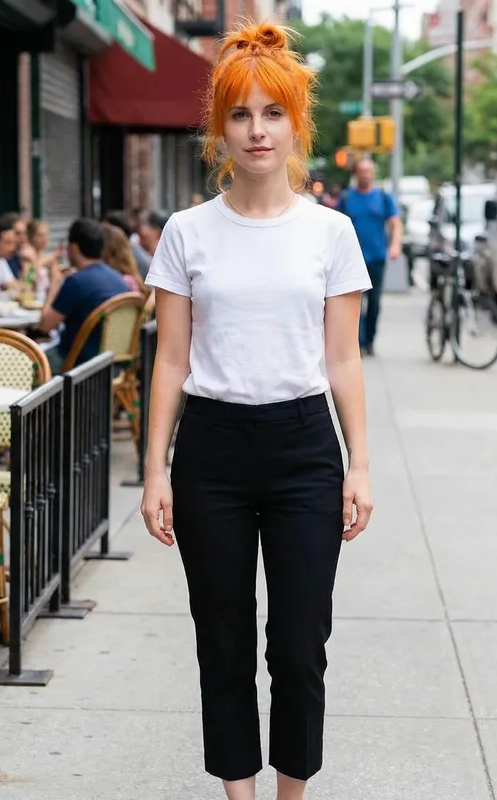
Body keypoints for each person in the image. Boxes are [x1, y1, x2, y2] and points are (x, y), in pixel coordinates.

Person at [140, 21, 373, 800]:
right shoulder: (185, 232)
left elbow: (343, 359)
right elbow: (169, 360)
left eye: (272, 113)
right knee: (224, 642)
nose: (256, 130)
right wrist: (154, 473)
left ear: (295, 122)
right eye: (240, 114)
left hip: (305, 444)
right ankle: (239, 795)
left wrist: (360, 465)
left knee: (302, 644)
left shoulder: (332, 233)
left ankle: (290, 793)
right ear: (220, 129)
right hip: (211, 449)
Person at [37, 217, 129, 374]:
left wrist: (54, 285)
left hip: (79, 367)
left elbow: (45, 325)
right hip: (115, 365)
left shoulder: (76, 282)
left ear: (73, 247)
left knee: (30, 362)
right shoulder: (118, 279)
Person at [336, 158, 402, 356]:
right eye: (361, 171)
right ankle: (359, 341)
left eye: (368, 171)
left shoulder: (383, 197)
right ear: (356, 174)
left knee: (374, 303)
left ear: (373, 173)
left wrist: (395, 245)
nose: (365, 174)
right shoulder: (347, 198)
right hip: (352, 259)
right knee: (355, 304)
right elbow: (336, 225)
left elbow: (395, 223)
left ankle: (370, 339)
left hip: (376, 258)